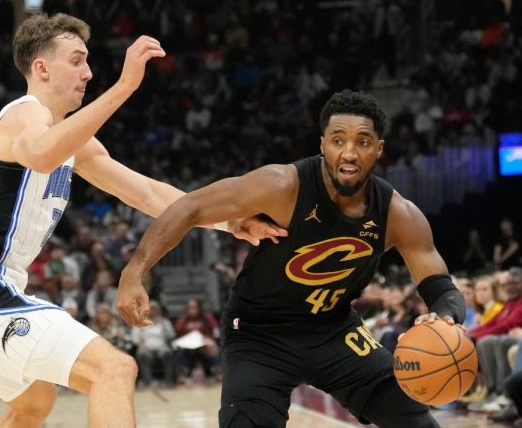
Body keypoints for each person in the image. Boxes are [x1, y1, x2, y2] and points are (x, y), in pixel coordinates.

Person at [0, 13, 284, 428]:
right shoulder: (23, 114)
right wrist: (125, 86)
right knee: (113, 369)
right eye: (76, 61)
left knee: (36, 403)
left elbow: (147, 193)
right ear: (41, 68)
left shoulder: (73, 141)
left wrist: (229, 222)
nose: (88, 72)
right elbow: (40, 154)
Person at [116, 90, 466, 427]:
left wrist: (444, 318)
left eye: (362, 142)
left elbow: (440, 287)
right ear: (322, 145)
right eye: (338, 140)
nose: (349, 153)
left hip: (334, 330)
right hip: (259, 333)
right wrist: (135, 271)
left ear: (379, 148)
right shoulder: (282, 185)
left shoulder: (398, 214)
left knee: (415, 420)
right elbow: (189, 207)